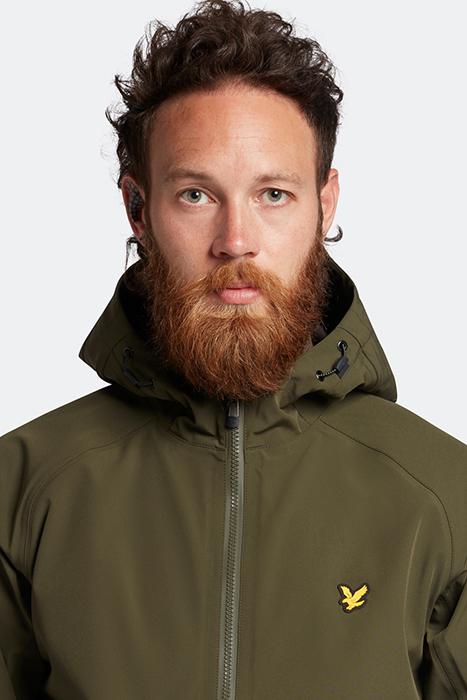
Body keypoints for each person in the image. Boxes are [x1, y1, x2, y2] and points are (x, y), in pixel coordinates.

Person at [1, 0, 466, 698]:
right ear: (137, 208)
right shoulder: (21, 490)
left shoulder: (445, 499)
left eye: (273, 194)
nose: (235, 241)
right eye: (196, 195)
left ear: (325, 204)